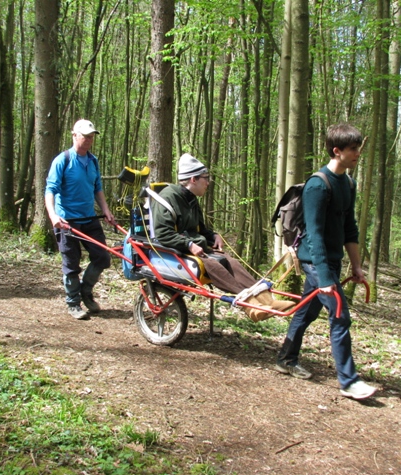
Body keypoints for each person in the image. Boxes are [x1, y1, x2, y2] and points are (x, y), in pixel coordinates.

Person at [275, 124, 376, 400]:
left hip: (330, 262)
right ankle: (349, 381)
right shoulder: (318, 185)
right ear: (337, 151)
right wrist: (326, 277)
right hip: (314, 261)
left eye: (358, 148)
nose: (358, 153)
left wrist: (355, 266)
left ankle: (286, 358)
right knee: (340, 314)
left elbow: (350, 229)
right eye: (353, 149)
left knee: (306, 312)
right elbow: (315, 235)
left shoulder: (349, 183)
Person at [151, 153, 295, 321]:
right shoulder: (167, 197)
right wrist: (189, 244)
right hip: (176, 251)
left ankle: (268, 301)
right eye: (206, 178)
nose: (209, 182)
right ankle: (250, 307)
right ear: (193, 179)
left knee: (230, 261)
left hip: (197, 247)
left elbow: (201, 229)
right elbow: (163, 233)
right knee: (214, 264)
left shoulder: (191, 199)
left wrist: (213, 236)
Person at [45, 119, 115, 320]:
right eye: (85, 136)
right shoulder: (63, 160)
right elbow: (50, 190)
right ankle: (73, 302)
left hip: (89, 219)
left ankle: (86, 291)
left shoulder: (93, 161)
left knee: (102, 258)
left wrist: (106, 210)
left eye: (91, 136)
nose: (88, 140)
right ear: (74, 135)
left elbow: (97, 188)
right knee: (71, 263)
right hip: (67, 221)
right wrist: (53, 215)